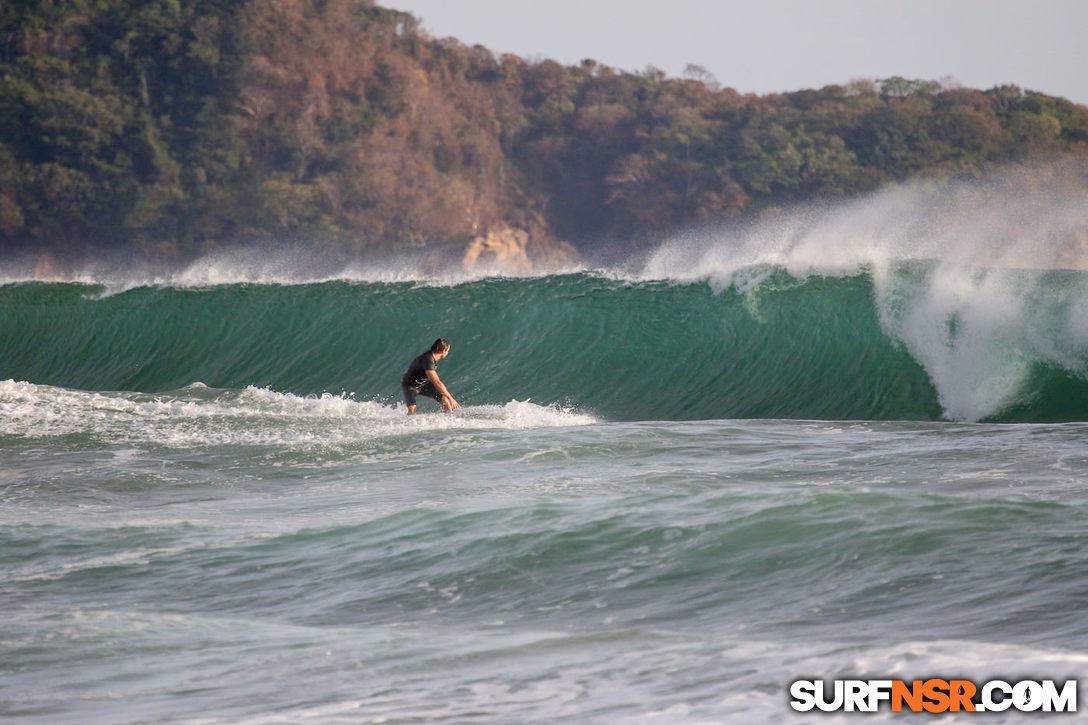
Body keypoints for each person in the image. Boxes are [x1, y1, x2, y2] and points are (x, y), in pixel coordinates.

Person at [401, 338, 461, 415]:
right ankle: (407, 425)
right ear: (443, 351)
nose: (448, 353)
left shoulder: (432, 357)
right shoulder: (428, 360)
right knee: (412, 408)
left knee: (444, 399)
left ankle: (449, 419)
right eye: (448, 351)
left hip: (424, 384)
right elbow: (436, 382)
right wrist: (451, 398)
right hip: (410, 386)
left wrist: (448, 398)